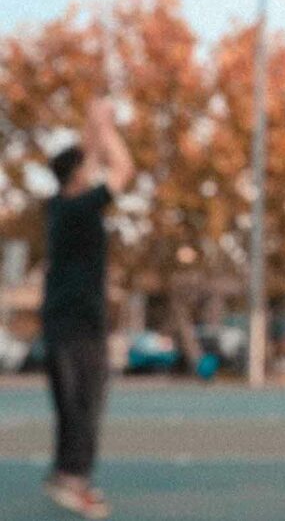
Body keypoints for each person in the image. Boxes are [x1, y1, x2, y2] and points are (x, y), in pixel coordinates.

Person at [41, 98, 135, 520]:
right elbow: (123, 170)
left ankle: (66, 474)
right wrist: (108, 130)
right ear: (78, 176)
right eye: (86, 167)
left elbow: (91, 157)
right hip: (77, 324)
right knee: (86, 403)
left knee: (74, 403)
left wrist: (94, 123)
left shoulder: (61, 205)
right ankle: (74, 480)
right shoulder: (80, 208)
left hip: (65, 321)